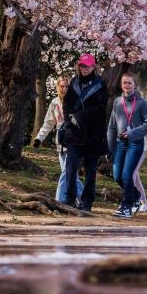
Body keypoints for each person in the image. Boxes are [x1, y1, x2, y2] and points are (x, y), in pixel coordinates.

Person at [61, 53, 109, 212]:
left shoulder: (100, 84)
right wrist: (69, 120)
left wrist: (80, 117)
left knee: (90, 169)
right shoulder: (74, 82)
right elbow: (66, 103)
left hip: (93, 133)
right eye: (82, 66)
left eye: (87, 66)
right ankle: (69, 198)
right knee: (70, 166)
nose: (84, 69)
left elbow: (100, 109)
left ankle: (87, 201)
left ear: (93, 67)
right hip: (74, 133)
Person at [107, 73, 147, 218]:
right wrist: (109, 148)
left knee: (127, 175)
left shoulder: (141, 103)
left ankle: (126, 206)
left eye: (129, 83)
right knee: (117, 176)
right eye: (124, 83)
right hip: (120, 143)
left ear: (135, 85)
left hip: (135, 143)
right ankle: (137, 196)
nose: (126, 85)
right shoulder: (117, 102)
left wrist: (132, 133)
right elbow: (112, 127)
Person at [33, 74, 83, 202]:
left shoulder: (77, 101)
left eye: (67, 86)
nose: (64, 89)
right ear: (58, 87)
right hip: (61, 142)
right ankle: (84, 197)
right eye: (62, 86)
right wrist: (39, 138)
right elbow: (49, 122)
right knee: (69, 175)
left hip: (74, 141)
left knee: (66, 173)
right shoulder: (55, 103)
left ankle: (59, 200)